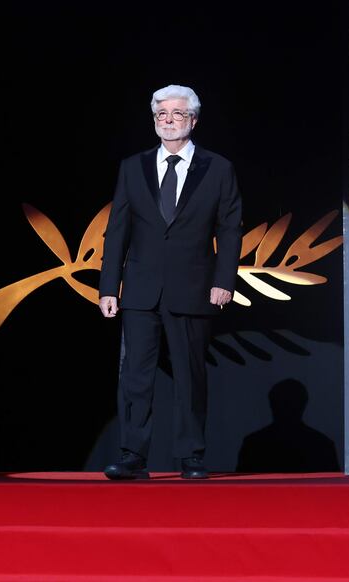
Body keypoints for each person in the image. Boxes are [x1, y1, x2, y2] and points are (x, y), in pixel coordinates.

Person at [99, 84, 242, 480]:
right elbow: (118, 230)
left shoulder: (217, 168)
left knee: (190, 376)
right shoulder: (133, 167)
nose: (168, 120)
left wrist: (223, 280)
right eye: (161, 114)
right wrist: (110, 287)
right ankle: (132, 455)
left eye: (177, 114)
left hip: (194, 287)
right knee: (135, 377)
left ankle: (191, 454)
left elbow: (230, 229)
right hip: (141, 290)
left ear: (193, 120)